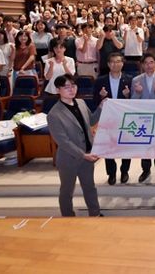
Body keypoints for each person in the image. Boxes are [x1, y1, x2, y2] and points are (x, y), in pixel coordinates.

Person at [46, 74, 101, 217]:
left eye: (73, 85)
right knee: (67, 190)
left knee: (90, 187)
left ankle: (95, 213)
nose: (71, 89)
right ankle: (67, 217)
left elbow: (91, 120)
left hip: (87, 154)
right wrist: (83, 155)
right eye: (66, 87)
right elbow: (63, 142)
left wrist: (101, 107)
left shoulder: (81, 103)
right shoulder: (54, 114)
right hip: (68, 158)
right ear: (58, 90)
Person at [93, 52, 133, 185]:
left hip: (124, 118)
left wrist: (128, 96)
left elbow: (135, 102)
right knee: (109, 146)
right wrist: (101, 96)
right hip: (108, 118)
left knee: (126, 146)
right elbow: (94, 101)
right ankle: (111, 173)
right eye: (112, 62)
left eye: (118, 61)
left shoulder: (129, 79)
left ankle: (125, 171)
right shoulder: (100, 80)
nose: (115, 64)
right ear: (108, 64)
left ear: (122, 63)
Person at [131, 53, 155, 182]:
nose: (149, 65)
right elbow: (132, 101)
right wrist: (138, 92)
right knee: (145, 144)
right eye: (146, 63)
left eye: (151, 62)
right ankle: (145, 170)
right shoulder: (136, 80)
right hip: (143, 118)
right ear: (142, 65)